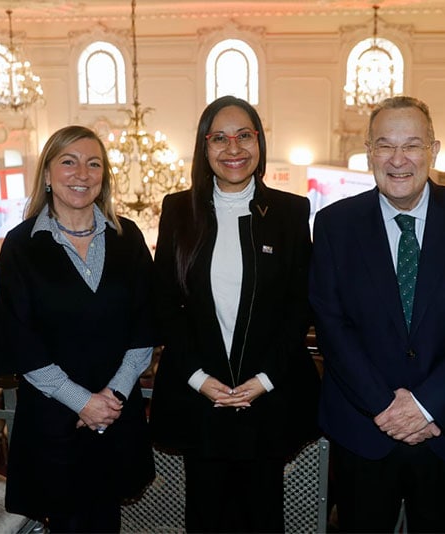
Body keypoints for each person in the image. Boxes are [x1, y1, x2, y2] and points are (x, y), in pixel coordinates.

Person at [309, 96, 445, 533]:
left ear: (433, 151)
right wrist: (386, 407)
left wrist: (425, 406)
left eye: (412, 145)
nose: (398, 159)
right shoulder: (333, 225)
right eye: (384, 145)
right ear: (369, 153)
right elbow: (331, 325)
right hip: (364, 432)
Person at [150, 95, 320, 533]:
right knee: (204, 519)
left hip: (266, 400)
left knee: (263, 518)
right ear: (204, 148)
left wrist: (262, 381)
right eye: (219, 138)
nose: (233, 148)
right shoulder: (178, 210)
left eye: (244, 135)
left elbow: (299, 305)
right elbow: (166, 302)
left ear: (259, 142)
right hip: (200, 401)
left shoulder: (290, 211)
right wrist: (198, 379)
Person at [0, 125, 156, 532]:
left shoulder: (128, 237)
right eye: (68, 161)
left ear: (104, 177)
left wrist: (110, 398)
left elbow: (146, 323)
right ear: (47, 175)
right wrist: (82, 402)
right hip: (54, 421)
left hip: (115, 417)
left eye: (93, 163)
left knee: (108, 521)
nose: (81, 173)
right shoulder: (20, 245)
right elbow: (20, 339)